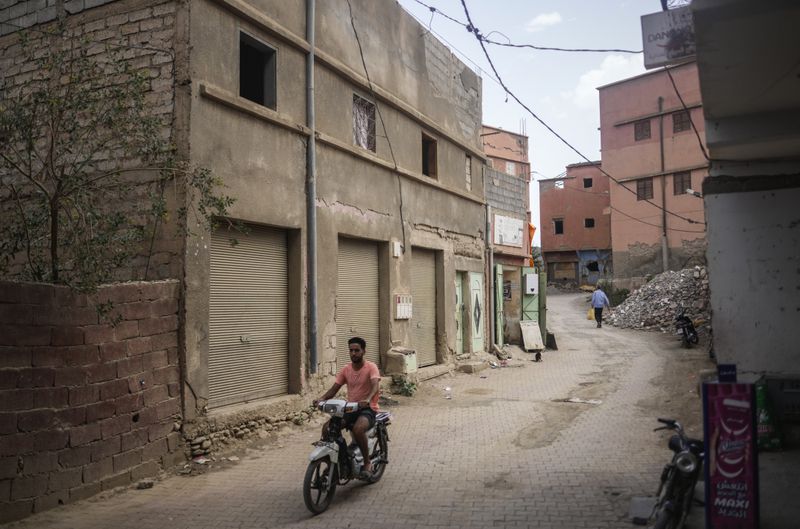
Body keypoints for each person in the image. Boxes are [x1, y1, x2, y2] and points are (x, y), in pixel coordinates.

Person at [314, 336, 380, 476]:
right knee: (328, 429)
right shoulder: (346, 369)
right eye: (351, 350)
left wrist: (368, 399)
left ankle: (367, 462)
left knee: (358, 429)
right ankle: (337, 460)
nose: (353, 353)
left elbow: (375, 385)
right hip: (350, 408)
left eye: (357, 350)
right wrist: (322, 399)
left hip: (367, 409)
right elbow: (334, 389)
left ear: (364, 351)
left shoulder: (371, 367)